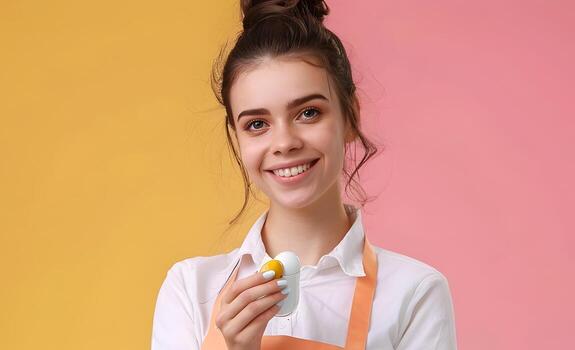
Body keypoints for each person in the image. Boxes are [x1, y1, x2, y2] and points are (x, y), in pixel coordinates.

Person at [151, 1, 458, 349]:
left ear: (350, 116)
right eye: (257, 124)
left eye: (308, 113)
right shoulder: (191, 290)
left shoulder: (413, 294)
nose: (284, 143)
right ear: (237, 137)